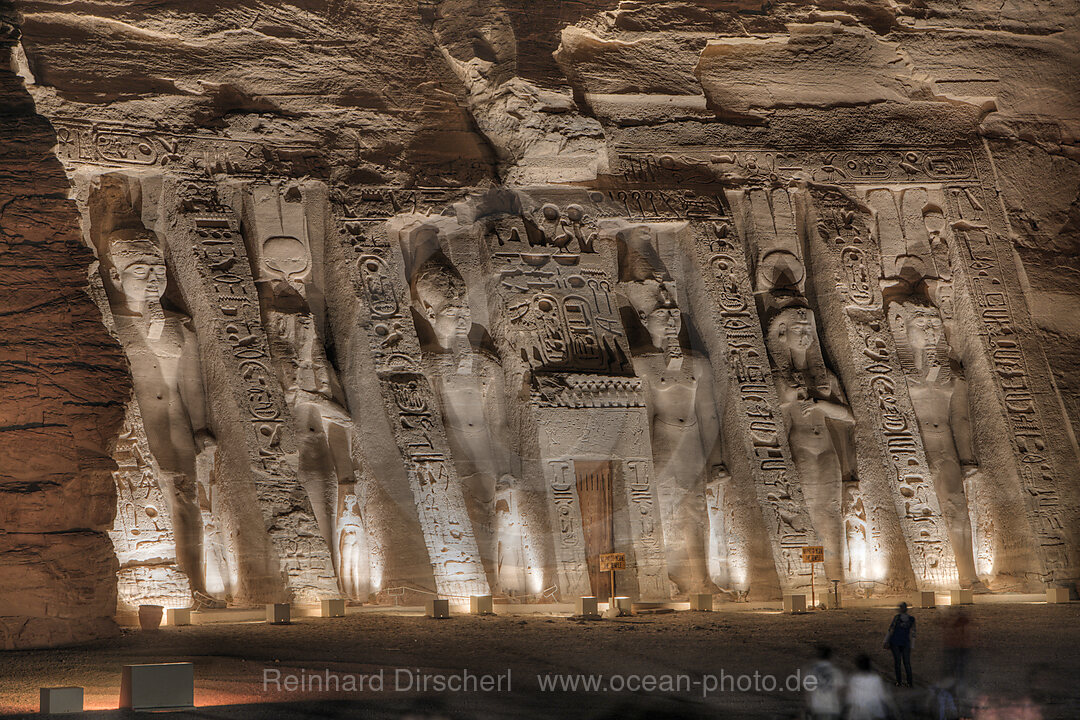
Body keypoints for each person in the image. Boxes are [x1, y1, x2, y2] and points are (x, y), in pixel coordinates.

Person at [846, 654, 899, 720]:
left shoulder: (853, 679)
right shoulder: (876, 679)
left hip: (858, 713)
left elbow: (849, 699)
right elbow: (882, 696)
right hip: (873, 712)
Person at [804, 644, 844, 720]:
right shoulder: (836, 671)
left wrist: (808, 707)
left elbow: (808, 691)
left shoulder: (811, 671)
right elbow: (840, 692)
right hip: (832, 707)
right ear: (829, 656)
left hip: (817, 707)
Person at [885, 601, 916, 687]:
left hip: (895, 642)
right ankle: (909, 682)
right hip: (906, 642)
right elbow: (913, 633)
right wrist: (912, 645)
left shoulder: (897, 618)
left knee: (897, 663)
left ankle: (899, 681)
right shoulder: (911, 619)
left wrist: (886, 641)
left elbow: (891, 630)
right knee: (906, 663)